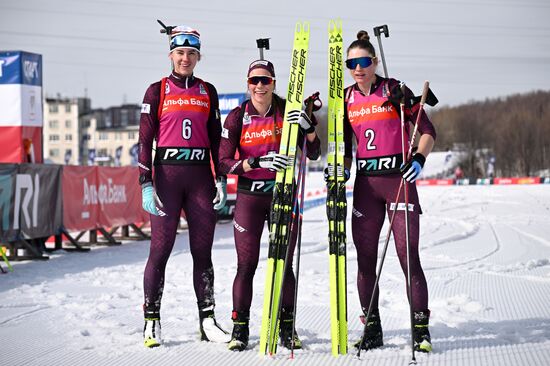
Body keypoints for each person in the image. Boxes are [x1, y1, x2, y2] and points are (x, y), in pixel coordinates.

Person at [342, 31, 436, 353]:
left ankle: (420, 329)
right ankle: (372, 328)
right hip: (366, 185)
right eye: (352, 63)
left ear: (375, 62)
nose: (358, 68)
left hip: (399, 179)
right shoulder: (345, 98)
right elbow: (343, 147)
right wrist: (340, 167)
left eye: (364, 61)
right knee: (365, 261)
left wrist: (419, 159)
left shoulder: (394, 89)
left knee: (407, 256)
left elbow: (427, 131)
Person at [218, 59, 321, 351]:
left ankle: (286, 327)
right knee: (246, 265)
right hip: (250, 197)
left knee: (284, 264)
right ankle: (240, 328)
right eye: (254, 81)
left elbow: (314, 152)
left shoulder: (288, 110)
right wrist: (254, 162)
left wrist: (307, 125)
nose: (259, 86)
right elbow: (224, 162)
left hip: (283, 194)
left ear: (274, 82)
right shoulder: (237, 117)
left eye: (265, 80)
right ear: (247, 83)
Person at [138, 25, 230, 348]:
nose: (185, 59)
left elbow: (218, 138)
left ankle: (207, 320)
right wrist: (145, 182)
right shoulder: (157, 90)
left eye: (191, 54)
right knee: (160, 250)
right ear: (171, 56)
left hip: (200, 179)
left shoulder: (208, 91)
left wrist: (221, 177)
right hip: (166, 177)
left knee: (202, 252)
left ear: (198, 57)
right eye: (180, 53)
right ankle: (151, 320)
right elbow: (145, 140)